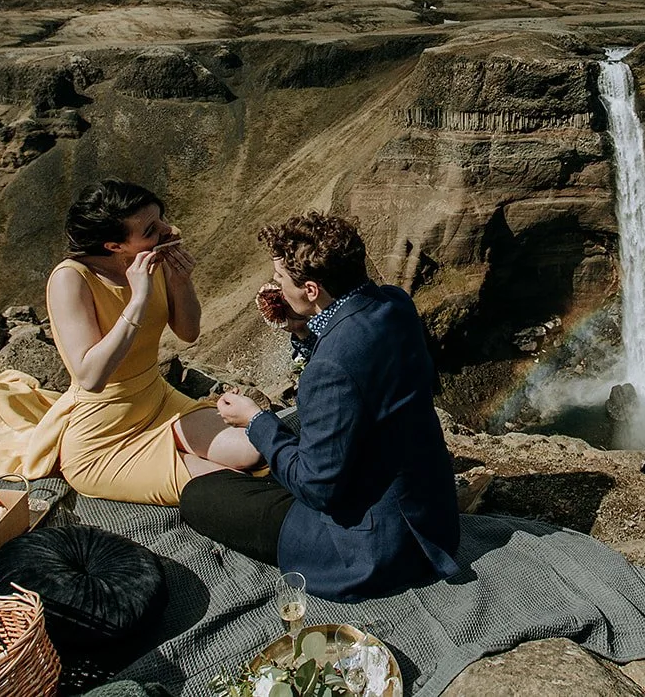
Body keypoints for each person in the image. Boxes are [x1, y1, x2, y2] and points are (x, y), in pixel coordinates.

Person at [180, 211, 461, 601]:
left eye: (280, 279)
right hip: (432, 513)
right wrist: (301, 327)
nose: (276, 286)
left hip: (375, 545)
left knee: (201, 496)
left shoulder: (330, 369)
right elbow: (362, 364)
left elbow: (317, 488)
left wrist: (257, 421)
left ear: (311, 289)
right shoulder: (395, 304)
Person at [44, 180, 261, 504]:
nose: (168, 229)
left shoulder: (149, 260)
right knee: (229, 487)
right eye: (150, 229)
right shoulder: (71, 279)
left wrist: (180, 280)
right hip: (104, 434)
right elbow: (90, 377)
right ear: (114, 246)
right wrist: (138, 299)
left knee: (252, 452)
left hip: (157, 401)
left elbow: (188, 332)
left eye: (161, 218)